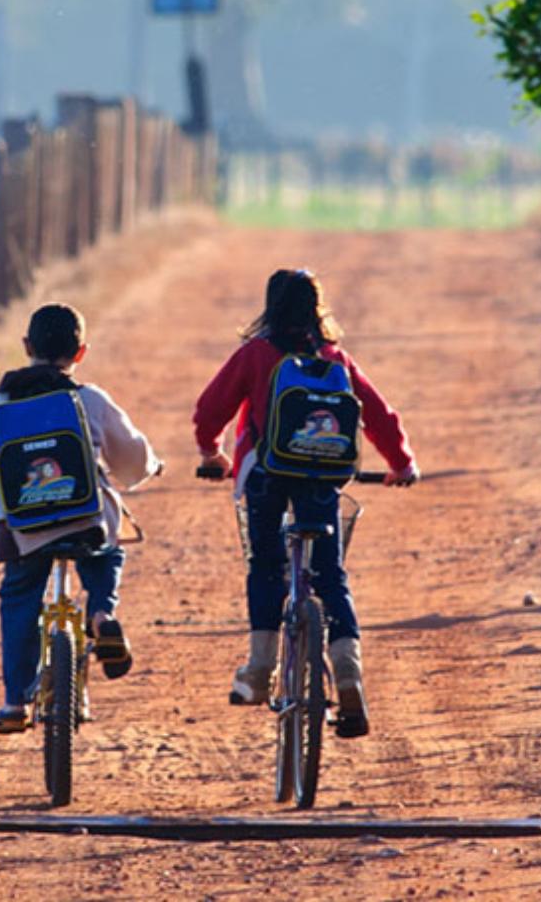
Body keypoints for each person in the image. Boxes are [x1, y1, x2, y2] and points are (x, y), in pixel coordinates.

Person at [193, 269, 418, 738]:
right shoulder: (334, 357)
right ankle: (349, 673)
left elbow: (210, 408)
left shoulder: (255, 354)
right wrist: (401, 463)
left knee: (266, 564)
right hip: (322, 477)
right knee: (330, 575)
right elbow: (377, 413)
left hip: (265, 474)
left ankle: (259, 670)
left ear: (270, 307)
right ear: (318, 309)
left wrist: (210, 452)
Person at [0, 303, 161, 734]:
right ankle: (101, 614)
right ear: (80, 353)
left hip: (25, 529)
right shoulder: (90, 399)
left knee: (20, 596)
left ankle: (14, 703)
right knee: (106, 550)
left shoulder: (3, 401)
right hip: (85, 518)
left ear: (26, 347)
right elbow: (133, 458)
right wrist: (152, 466)